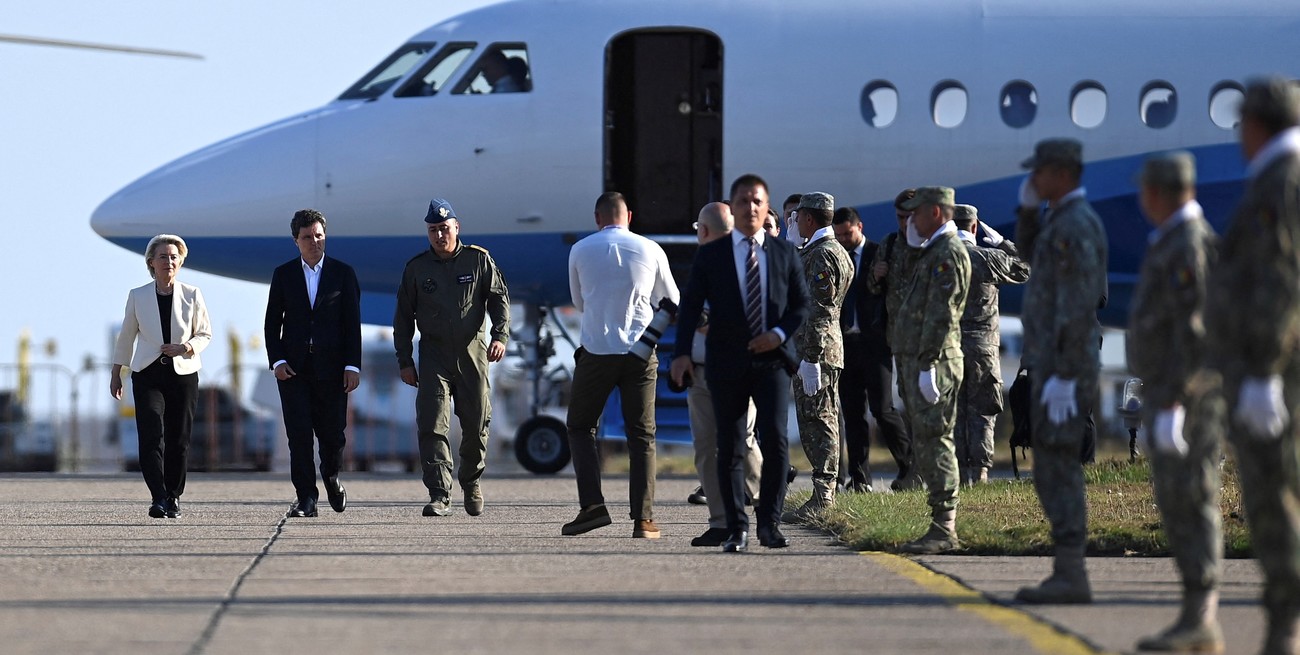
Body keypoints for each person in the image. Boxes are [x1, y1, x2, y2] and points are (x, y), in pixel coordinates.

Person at [1203, 77, 1300, 654]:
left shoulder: (1281, 183)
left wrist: (1263, 372)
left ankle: (1286, 629)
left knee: (1276, 498)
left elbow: (1279, 282)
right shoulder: (1275, 178)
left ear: (1259, 123)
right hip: (1268, 369)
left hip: (1276, 373)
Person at [671, 173, 810, 552]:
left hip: (772, 362)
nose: (750, 207)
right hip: (726, 363)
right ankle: (736, 528)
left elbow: (801, 306)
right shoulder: (711, 255)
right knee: (730, 447)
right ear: (733, 208)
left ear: (766, 208)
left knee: (776, 443)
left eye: (757, 201)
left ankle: (770, 524)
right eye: (743, 201)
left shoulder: (784, 254)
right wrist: (681, 354)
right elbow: (689, 309)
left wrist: (779, 335)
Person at [1128, 152, 1223, 652]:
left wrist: (1176, 405)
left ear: (1160, 192)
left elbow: (1197, 331)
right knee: (1176, 502)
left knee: (1193, 500)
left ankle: (1201, 616)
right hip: (1169, 396)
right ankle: (1193, 614)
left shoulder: (1188, 245)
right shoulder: (1170, 240)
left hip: (1186, 401)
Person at [1013, 138, 1108, 603]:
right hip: (1052, 362)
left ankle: (1072, 572)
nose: (1033, 180)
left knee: (1061, 469)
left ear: (1063, 172)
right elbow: (1027, 259)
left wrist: (1067, 376)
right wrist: (1028, 213)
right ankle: (1067, 569)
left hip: (1066, 365)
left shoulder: (1077, 226)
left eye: (1040, 173)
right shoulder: (1057, 222)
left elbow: (1077, 305)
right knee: (1050, 468)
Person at [563, 192, 678, 539]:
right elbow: (672, 301)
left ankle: (592, 507)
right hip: (639, 353)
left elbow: (578, 302)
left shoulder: (580, 249)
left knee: (581, 427)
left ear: (597, 218)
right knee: (642, 435)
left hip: (596, 350)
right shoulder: (651, 249)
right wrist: (648, 339)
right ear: (630, 215)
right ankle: (643, 520)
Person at [394, 198, 510, 517]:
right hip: (433, 357)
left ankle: (471, 483)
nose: (439, 235)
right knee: (432, 425)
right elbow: (402, 317)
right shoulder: (417, 269)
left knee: (476, 424)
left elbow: (499, 299)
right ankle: (440, 494)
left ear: (456, 227)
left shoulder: (478, 260)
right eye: (433, 230)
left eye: (444, 228)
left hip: (473, 355)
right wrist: (404, 360)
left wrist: (500, 336)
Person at [264, 209, 362, 518]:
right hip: (294, 371)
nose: (314, 242)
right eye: (308, 237)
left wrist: (352, 366)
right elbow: (271, 324)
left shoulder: (343, 273)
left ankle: (332, 477)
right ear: (296, 241)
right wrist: (277, 361)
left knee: (333, 435)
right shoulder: (284, 274)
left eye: (319, 236)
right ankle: (306, 497)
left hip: (332, 370)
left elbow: (352, 325)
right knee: (299, 435)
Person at [110, 234, 212, 519]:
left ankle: (173, 496)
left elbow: (205, 332)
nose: (169, 261)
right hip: (147, 373)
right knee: (152, 433)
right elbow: (126, 336)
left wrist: (186, 347)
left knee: (179, 438)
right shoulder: (138, 295)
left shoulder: (192, 294)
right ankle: (157, 497)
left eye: (174, 257)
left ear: (180, 262)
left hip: (183, 372)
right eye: (163, 257)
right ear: (151, 263)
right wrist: (116, 371)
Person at [892, 187, 970, 554]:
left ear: (936, 213)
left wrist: (927, 365)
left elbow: (942, 314)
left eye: (916, 213)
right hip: (924, 361)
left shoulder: (948, 254)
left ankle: (945, 528)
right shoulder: (932, 251)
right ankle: (939, 525)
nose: (910, 220)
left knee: (937, 438)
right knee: (927, 440)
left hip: (935, 363)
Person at [685, 201, 763, 547]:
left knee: (742, 442)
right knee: (705, 448)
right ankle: (719, 522)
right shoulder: (701, 265)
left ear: (704, 230)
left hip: (737, 368)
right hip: (701, 371)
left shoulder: (747, 262)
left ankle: (766, 508)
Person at [832, 206, 913, 493]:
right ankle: (859, 478)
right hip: (845, 344)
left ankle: (909, 467)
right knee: (853, 412)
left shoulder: (881, 253)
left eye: (847, 233)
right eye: (838, 234)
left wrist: (883, 276)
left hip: (875, 343)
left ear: (859, 227)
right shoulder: (835, 257)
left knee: (882, 409)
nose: (842, 239)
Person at [784, 192, 852, 524]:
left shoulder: (824, 255)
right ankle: (822, 491)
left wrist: (810, 357)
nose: (794, 223)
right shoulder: (825, 250)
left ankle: (824, 495)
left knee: (820, 420)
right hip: (818, 348)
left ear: (809, 219)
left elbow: (820, 310)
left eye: (797, 218)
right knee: (816, 419)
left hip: (818, 350)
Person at [952, 204, 1029, 485]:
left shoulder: (941, 258)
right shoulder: (990, 258)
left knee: (955, 410)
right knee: (983, 410)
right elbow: (1024, 269)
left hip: (950, 347)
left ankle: (959, 472)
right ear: (974, 227)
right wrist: (1003, 243)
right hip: (983, 347)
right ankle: (981, 472)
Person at [866, 189, 921, 491]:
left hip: (929, 339)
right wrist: (877, 274)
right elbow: (873, 290)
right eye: (901, 217)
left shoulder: (932, 245)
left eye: (910, 217)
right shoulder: (889, 244)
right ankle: (915, 470)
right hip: (898, 337)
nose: (905, 223)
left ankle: (926, 470)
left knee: (926, 406)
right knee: (909, 403)